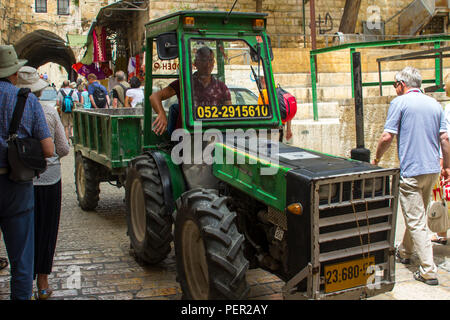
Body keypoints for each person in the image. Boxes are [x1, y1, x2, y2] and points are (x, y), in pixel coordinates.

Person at [372, 66, 450, 286]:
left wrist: (376, 159)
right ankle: (405, 251)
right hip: (432, 169)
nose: (395, 89)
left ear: (402, 84)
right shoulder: (435, 104)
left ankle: (428, 270)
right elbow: (444, 138)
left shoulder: (400, 103)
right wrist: (447, 166)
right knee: (417, 214)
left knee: (416, 220)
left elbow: (387, 136)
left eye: (395, 85)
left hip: (412, 171)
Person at [0, 45, 54, 300]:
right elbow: (48, 148)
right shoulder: (27, 99)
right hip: (16, 184)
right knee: (21, 257)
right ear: (14, 74)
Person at [17, 66, 70, 300]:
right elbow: (63, 148)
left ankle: (23, 282)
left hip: (19, 179)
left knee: (23, 232)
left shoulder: (10, 110)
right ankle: (43, 283)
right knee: (47, 231)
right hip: (49, 178)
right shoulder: (48, 112)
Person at [149, 46, 231, 135]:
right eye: (203, 60)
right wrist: (161, 114)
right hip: (186, 136)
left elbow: (229, 114)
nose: (207, 64)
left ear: (214, 63)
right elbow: (154, 97)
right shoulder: (184, 84)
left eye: (210, 60)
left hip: (213, 136)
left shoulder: (222, 87)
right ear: (195, 63)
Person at [431, 73, 450, 245]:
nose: (443, 87)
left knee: (442, 196)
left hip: (447, 158)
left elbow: (446, 138)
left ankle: (441, 232)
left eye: (445, 84)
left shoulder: (449, 109)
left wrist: (444, 162)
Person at [258, 76, 293, 142]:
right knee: (278, 148)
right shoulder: (280, 92)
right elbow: (288, 111)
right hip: (280, 126)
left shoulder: (264, 93)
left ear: (263, 80)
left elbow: (261, 113)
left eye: (260, 79)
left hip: (269, 128)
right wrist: (288, 129)